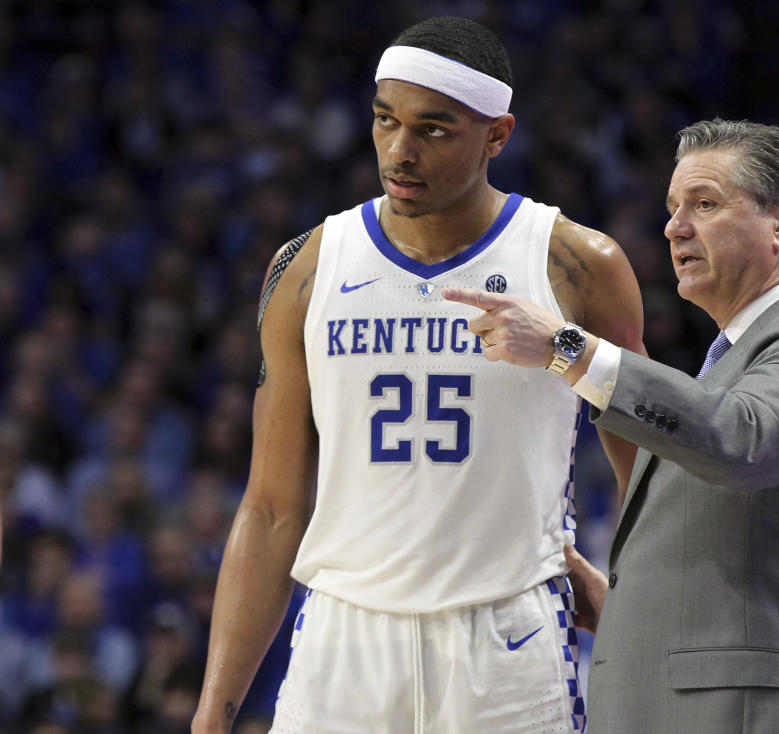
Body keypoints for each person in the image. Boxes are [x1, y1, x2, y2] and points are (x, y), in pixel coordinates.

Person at [191, 16, 644, 734]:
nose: (400, 151)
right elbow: (273, 506)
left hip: (509, 635)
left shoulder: (577, 264)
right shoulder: (305, 268)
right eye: (384, 121)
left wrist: (640, 603)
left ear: (497, 135)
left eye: (434, 129)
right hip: (344, 633)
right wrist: (212, 716)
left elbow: (646, 478)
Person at [444, 118, 779, 734]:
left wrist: (570, 349)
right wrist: (622, 606)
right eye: (672, 208)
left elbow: (745, 442)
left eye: (705, 204)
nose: (674, 226)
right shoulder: (735, 362)